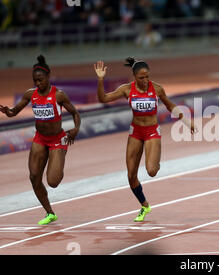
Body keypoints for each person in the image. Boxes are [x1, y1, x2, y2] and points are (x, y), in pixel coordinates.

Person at [94, 58, 196, 222]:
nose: (145, 80)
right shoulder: (127, 89)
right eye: (141, 78)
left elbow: (170, 106)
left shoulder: (156, 88)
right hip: (136, 132)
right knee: (131, 176)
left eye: (147, 76)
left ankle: (155, 160)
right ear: (135, 77)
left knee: (151, 171)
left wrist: (186, 121)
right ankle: (144, 205)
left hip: (151, 131)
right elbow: (103, 99)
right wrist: (100, 80)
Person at [0, 55, 81, 225]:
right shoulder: (31, 94)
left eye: (41, 80)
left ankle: (58, 162)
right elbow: (15, 111)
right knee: (34, 177)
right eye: (35, 81)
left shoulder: (59, 95)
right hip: (40, 139)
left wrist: (75, 129)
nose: (38, 83)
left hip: (58, 139)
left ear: (48, 77)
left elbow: (75, 113)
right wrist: (8, 112)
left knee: (53, 182)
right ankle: (50, 212)